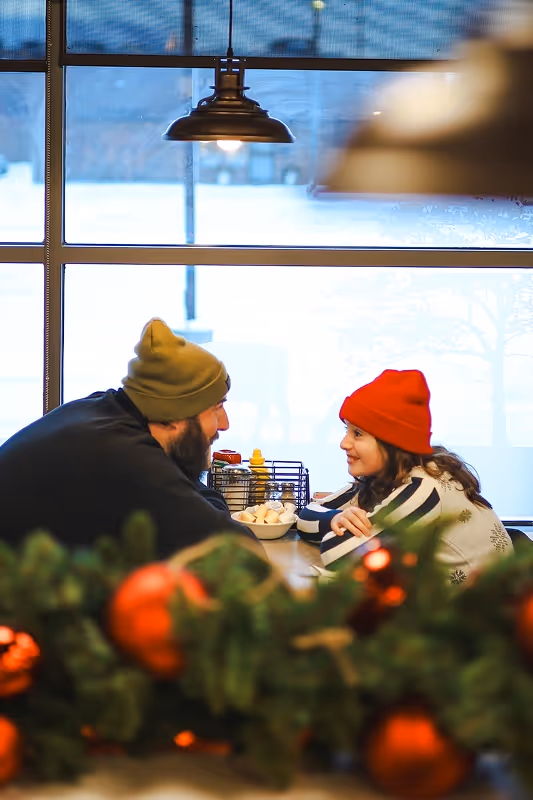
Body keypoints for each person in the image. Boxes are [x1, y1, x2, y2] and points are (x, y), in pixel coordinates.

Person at [0, 318, 262, 557]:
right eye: (216, 407)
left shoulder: (106, 410)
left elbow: (193, 502)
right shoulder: (126, 457)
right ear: (174, 413)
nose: (225, 424)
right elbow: (244, 552)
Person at [297, 369, 513, 586]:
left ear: (392, 442)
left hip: (484, 610)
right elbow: (306, 515)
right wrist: (336, 519)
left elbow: (338, 554)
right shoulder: (384, 474)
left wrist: (339, 529)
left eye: (358, 433)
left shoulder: (426, 487)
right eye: (347, 430)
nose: (344, 443)